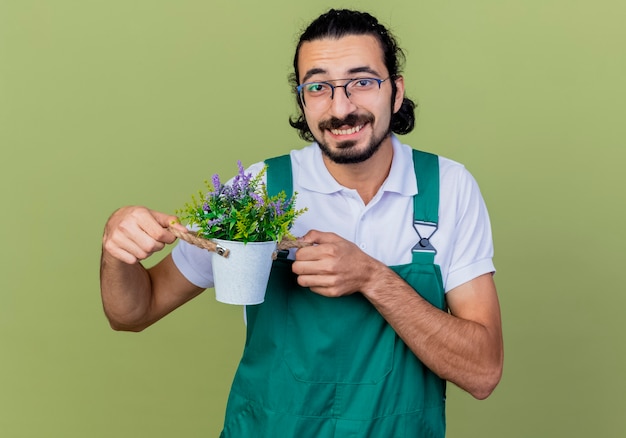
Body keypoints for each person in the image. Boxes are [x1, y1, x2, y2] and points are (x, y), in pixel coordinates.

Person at [100, 8, 503, 437]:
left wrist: (371, 277)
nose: (341, 107)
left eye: (362, 82)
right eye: (318, 87)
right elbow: (133, 312)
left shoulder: (448, 189)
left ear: (396, 92)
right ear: (302, 100)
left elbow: (482, 372)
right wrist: (117, 248)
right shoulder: (257, 189)